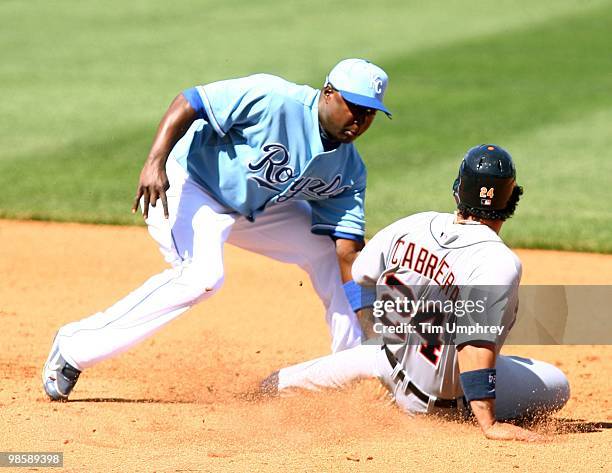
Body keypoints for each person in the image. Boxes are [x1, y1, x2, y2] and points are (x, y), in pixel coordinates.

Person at [42, 58, 392, 401]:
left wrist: (370, 328)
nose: (360, 120)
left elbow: (347, 252)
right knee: (202, 277)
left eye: (370, 113)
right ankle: (74, 348)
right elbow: (191, 100)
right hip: (190, 185)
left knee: (325, 253)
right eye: (354, 106)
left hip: (256, 208)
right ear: (328, 92)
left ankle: (353, 365)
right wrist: (155, 162)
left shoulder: (348, 170)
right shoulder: (274, 98)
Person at [260, 145, 570, 442]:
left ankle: (244, 397)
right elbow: (475, 344)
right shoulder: (499, 261)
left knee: (275, 385)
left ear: (457, 190)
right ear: (511, 201)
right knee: (559, 386)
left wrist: (372, 338)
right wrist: (488, 423)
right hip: (444, 402)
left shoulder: (412, 225)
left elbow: (359, 275)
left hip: (382, 365)